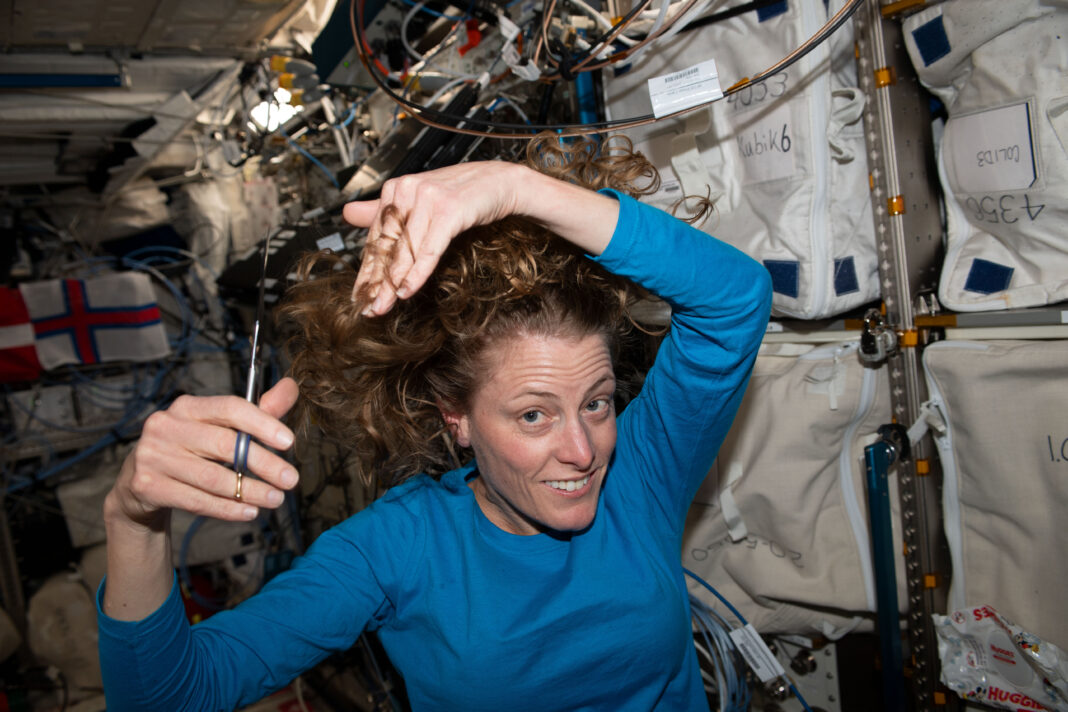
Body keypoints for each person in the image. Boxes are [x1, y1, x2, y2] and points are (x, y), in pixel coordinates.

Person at [97, 135, 772, 711]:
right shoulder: (399, 546)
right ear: (459, 419)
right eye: (534, 414)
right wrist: (133, 521)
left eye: (596, 403)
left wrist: (520, 188)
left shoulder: (640, 479)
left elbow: (736, 299)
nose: (583, 450)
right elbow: (172, 696)